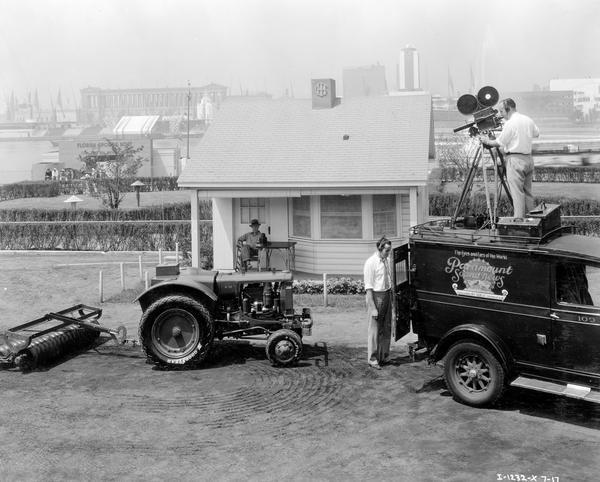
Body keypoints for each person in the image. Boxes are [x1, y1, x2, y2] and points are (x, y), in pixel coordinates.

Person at [479, 98, 540, 218]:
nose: (501, 115)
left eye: (502, 111)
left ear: (509, 109)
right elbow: (536, 133)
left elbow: (499, 142)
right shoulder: (528, 119)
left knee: (517, 194)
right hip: (528, 159)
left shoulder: (511, 123)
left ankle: (519, 223)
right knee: (528, 193)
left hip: (515, 161)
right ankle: (533, 221)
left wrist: (486, 140)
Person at [363, 236, 393, 370]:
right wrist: (373, 308)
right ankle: (373, 358)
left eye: (389, 250)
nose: (388, 253)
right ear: (380, 249)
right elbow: (368, 288)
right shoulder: (371, 263)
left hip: (387, 294)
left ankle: (384, 355)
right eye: (387, 250)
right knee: (374, 329)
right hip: (376, 296)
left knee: (386, 327)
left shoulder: (387, 260)